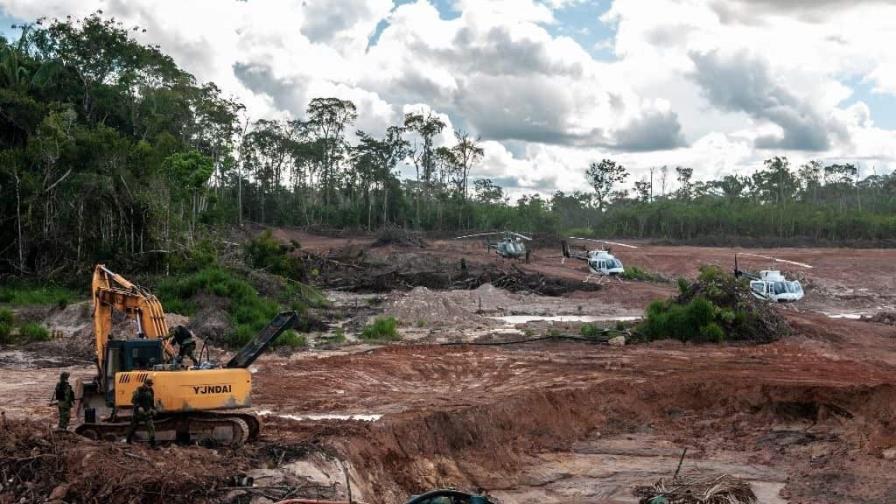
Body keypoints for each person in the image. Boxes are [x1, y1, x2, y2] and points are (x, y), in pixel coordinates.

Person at [126, 377, 156, 447]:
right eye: (148, 385)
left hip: (147, 412)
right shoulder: (139, 390)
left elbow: (152, 401)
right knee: (133, 427)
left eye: (150, 385)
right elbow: (133, 401)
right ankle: (128, 440)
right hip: (138, 413)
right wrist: (138, 407)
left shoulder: (151, 391)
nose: (149, 386)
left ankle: (152, 444)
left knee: (151, 427)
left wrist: (153, 409)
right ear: (144, 384)